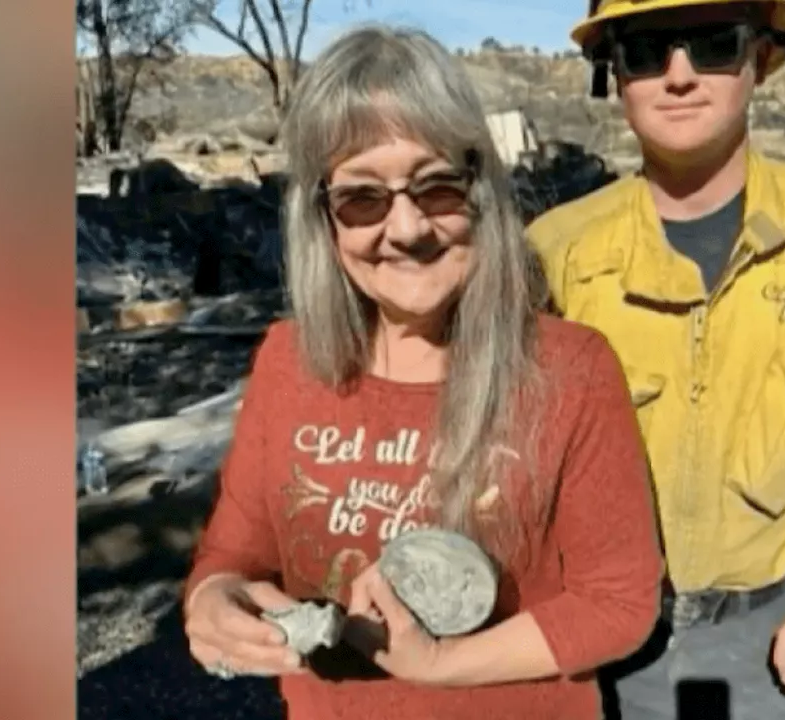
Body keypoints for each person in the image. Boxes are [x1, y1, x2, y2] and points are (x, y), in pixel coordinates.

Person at [180, 24, 665, 720]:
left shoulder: (570, 368)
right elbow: (233, 551)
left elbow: (618, 603)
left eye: (436, 187)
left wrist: (443, 666)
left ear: (480, 192)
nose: (407, 229)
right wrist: (212, 600)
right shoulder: (289, 360)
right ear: (323, 220)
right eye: (363, 199)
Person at [526, 1, 785, 718]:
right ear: (613, 73)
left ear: (758, 57)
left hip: (761, 640)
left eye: (713, 45)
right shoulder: (554, 253)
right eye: (647, 51)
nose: (680, 75)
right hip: (586, 637)